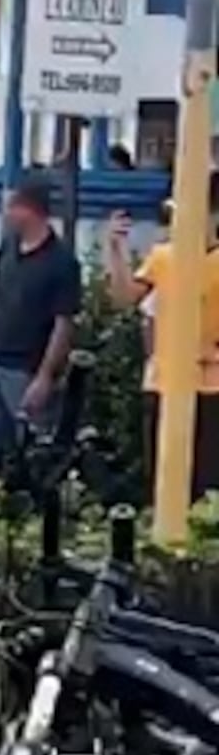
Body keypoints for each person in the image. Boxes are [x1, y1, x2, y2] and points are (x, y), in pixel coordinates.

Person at [0, 171, 82, 478]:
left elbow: (63, 323)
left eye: (12, 206)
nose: (7, 213)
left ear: (30, 210)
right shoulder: (8, 248)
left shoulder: (61, 262)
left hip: (26, 367)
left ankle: (41, 509)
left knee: (35, 449)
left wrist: (45, 376)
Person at [104, 172, 219, 506]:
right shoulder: (163, 257)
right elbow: (124, 297)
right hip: (164, 383)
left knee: (206, 483)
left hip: (209, 386)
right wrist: (115, 248)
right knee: (163, 480)